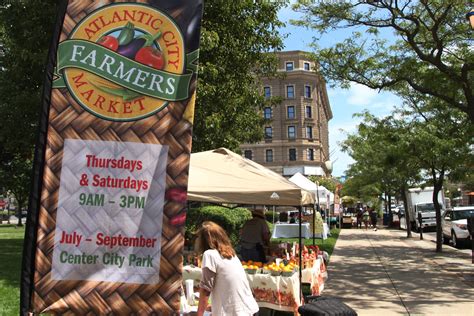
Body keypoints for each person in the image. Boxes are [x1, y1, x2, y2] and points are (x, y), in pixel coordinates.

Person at [196, 221, 259, 316]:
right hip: (249, 309)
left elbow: (205, 289)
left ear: (204, 240)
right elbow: (229, 287)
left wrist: (199, 314)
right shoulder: (232, 255)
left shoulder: (210, 254)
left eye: (198, 237)